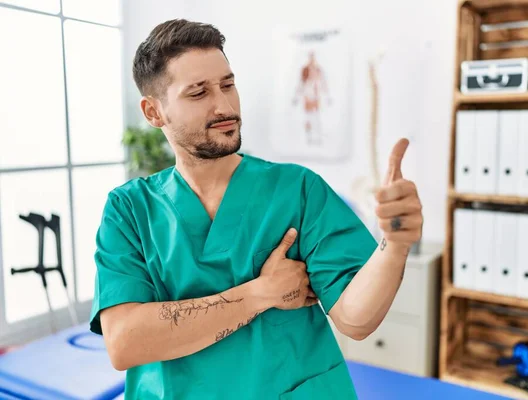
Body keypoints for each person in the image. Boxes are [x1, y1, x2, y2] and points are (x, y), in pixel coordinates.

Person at [90, 19, 423, 400]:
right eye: (198, 93)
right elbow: (126, 342)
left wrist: (394, 245)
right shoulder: (129, 209)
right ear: (153, 112)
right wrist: (260, 294)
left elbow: (355, 319)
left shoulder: (297, 190)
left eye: (228, 85)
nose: (225, 105)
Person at [292, 50, 331, 146]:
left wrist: (327, 96)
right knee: (308, 118)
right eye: (310, 56)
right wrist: (296, 97)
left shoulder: (318, 70)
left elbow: (323, 83)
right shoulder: (305, 70)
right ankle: (308, 138)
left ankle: (317, 137)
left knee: (316, 117)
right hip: (307, 98)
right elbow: (300, 84)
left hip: (315, 98)